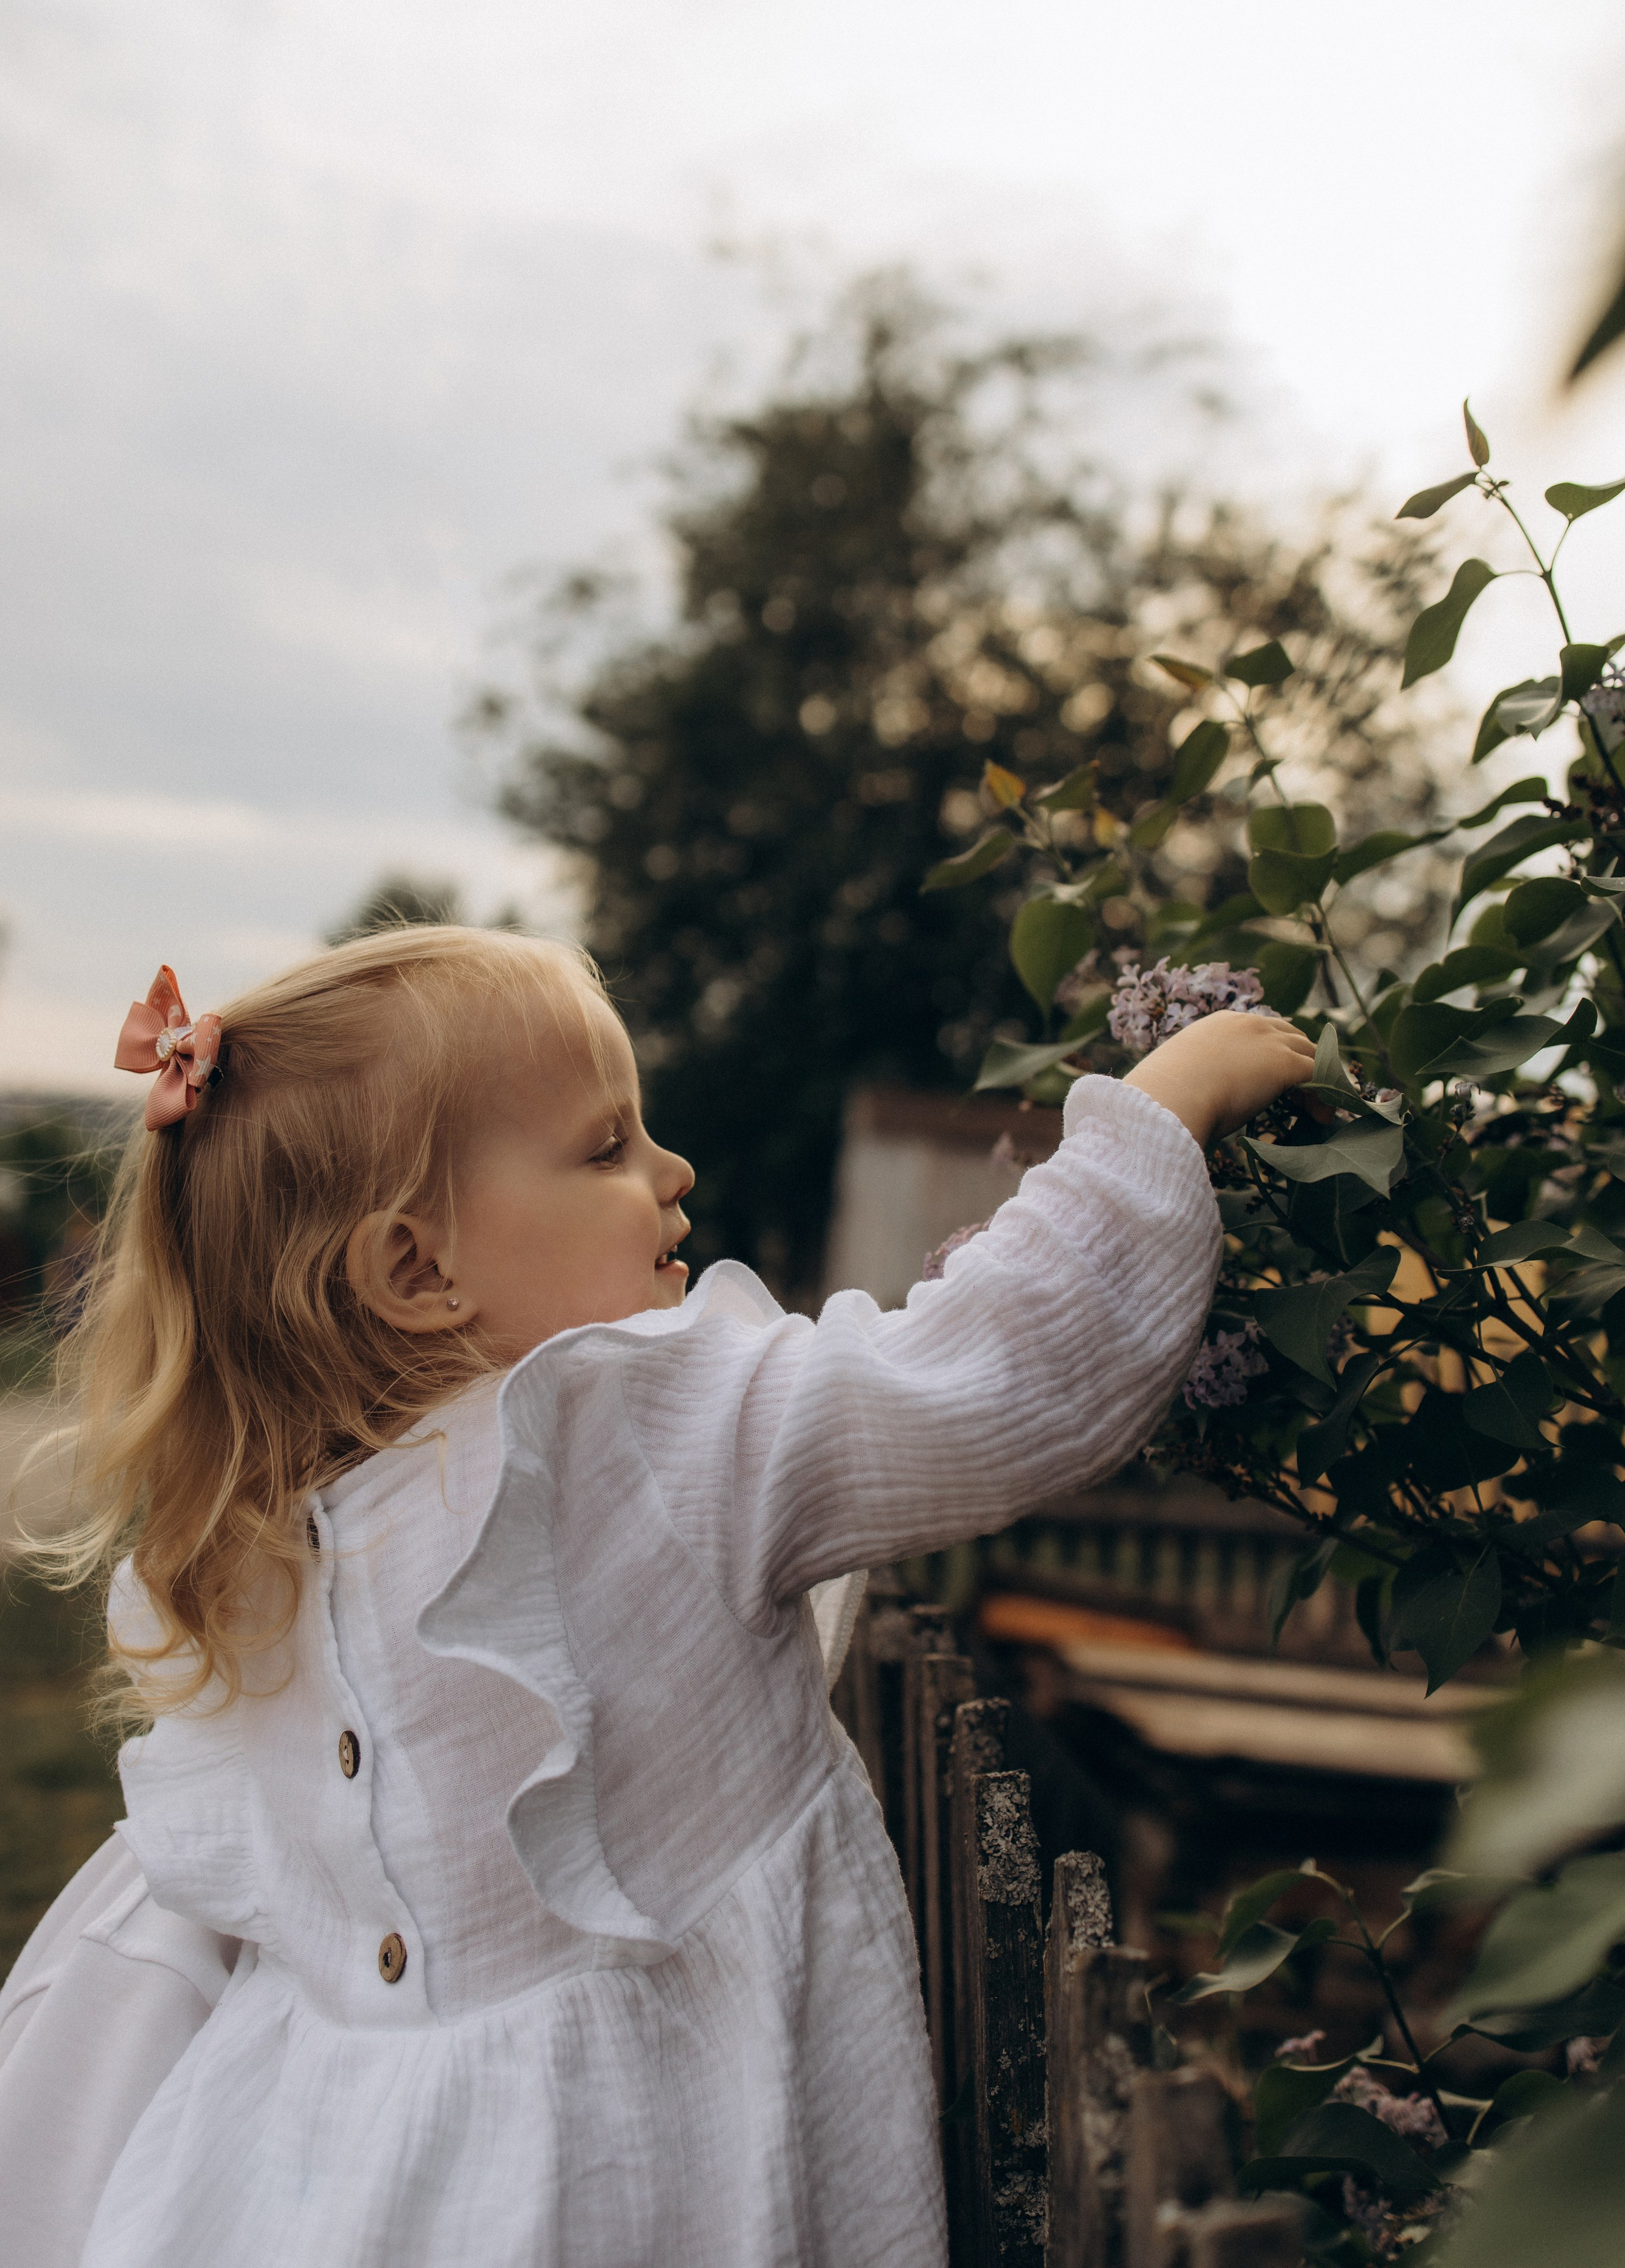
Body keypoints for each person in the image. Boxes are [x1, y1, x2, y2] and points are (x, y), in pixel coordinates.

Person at [0, 926, 1311, 2267]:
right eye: (604, 1147)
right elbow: (980, 1377)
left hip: (310, 2188)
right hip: (626, 2188)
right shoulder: (635, 1440)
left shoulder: (252, 1567)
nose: (672, 1169)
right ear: (415, 1270)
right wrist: (1157, 1113)